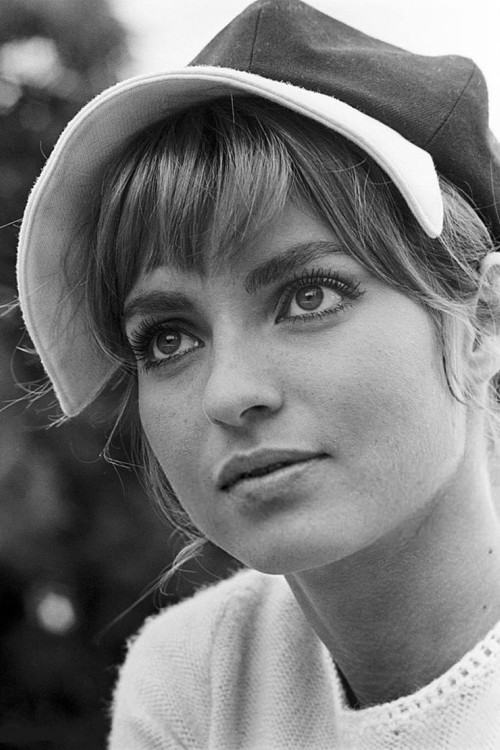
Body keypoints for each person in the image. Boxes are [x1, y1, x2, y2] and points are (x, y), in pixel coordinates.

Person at [16, 0, 500, 747]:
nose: (230, 393)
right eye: (169, 338)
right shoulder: (191, 681)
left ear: (484, 321)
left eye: (309, 296)